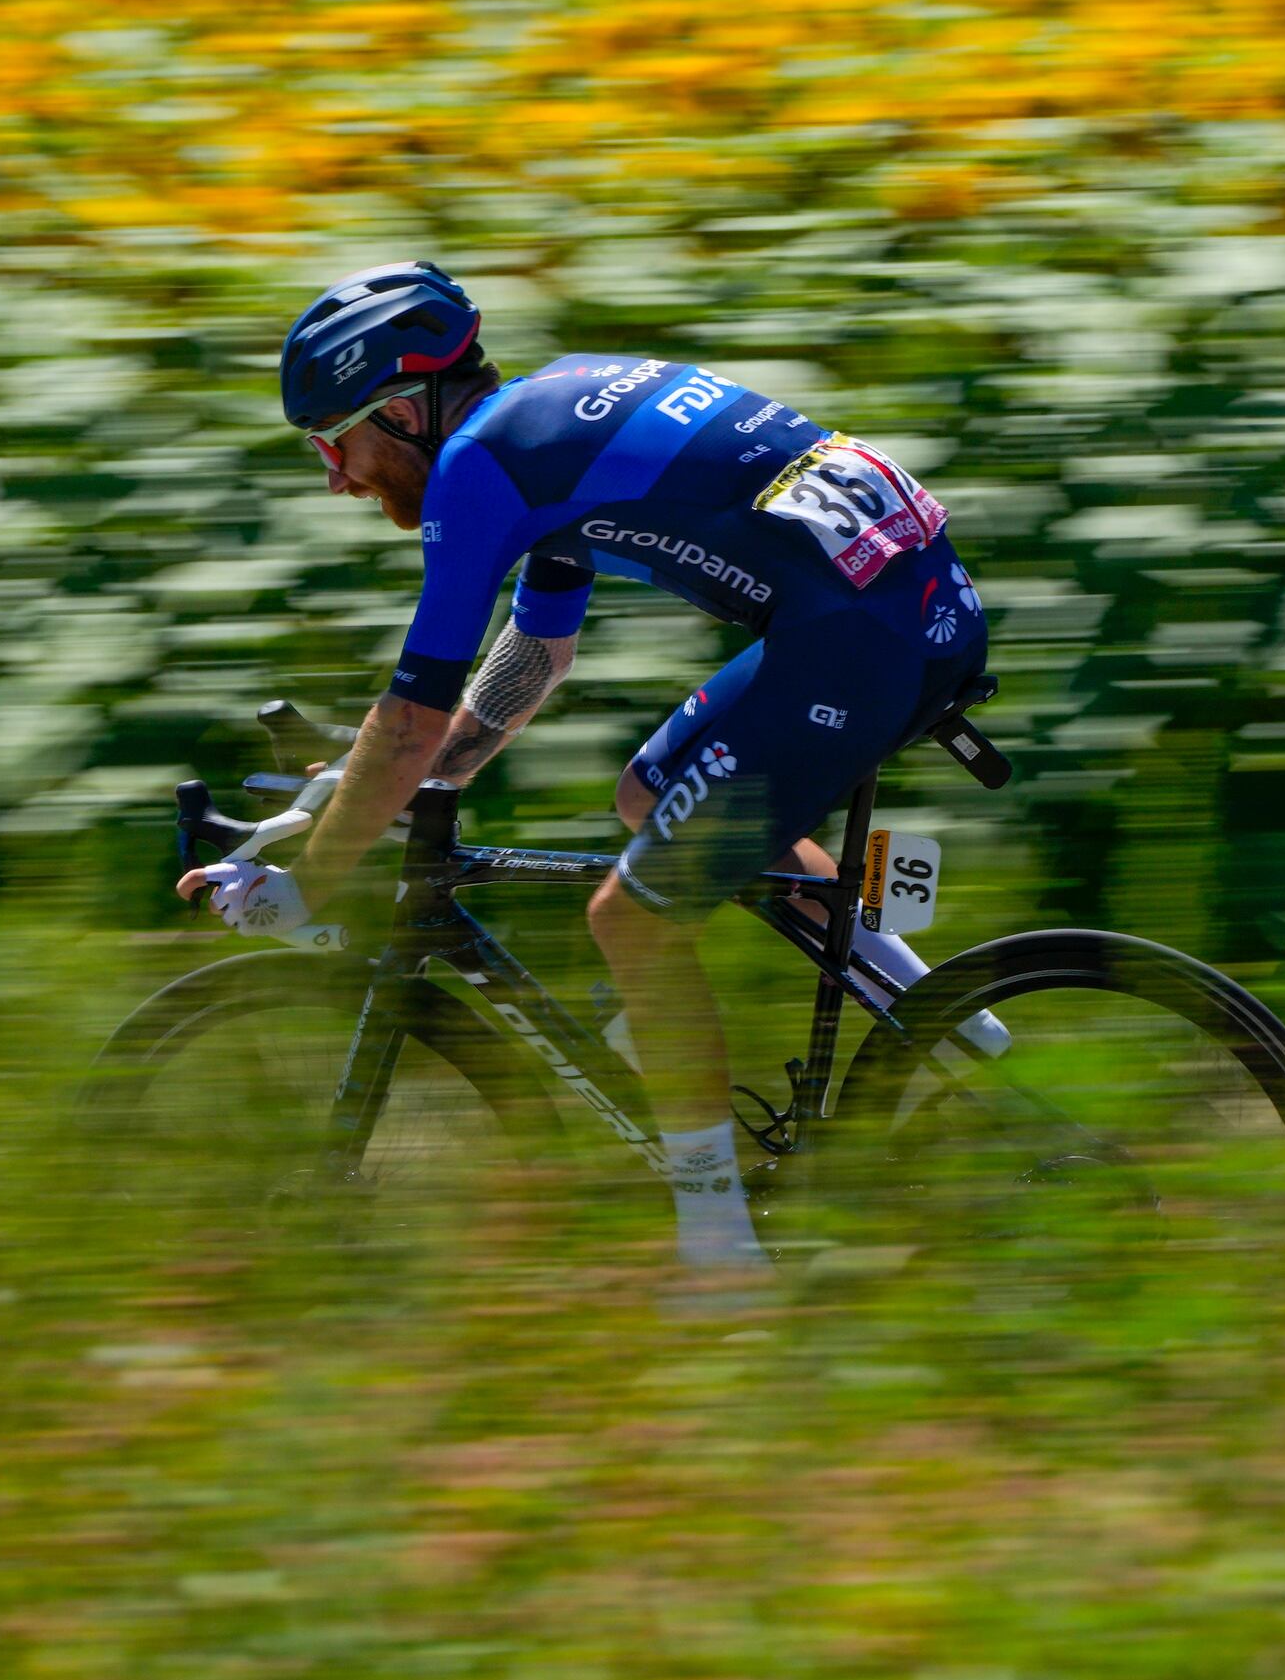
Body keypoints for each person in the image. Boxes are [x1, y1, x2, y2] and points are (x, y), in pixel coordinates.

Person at [178, 263, 988, 1277]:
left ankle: (719, 1259)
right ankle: (949, 1024)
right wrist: (395, 787)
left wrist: (311, 881)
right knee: (646, 794)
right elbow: (532, 658)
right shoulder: (537, 432)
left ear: (399, 412)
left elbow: (413, 707)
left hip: (859, 639)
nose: (335, 477)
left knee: (631, 917)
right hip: (897, 611)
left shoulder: (476, 470)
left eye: (332, 444)